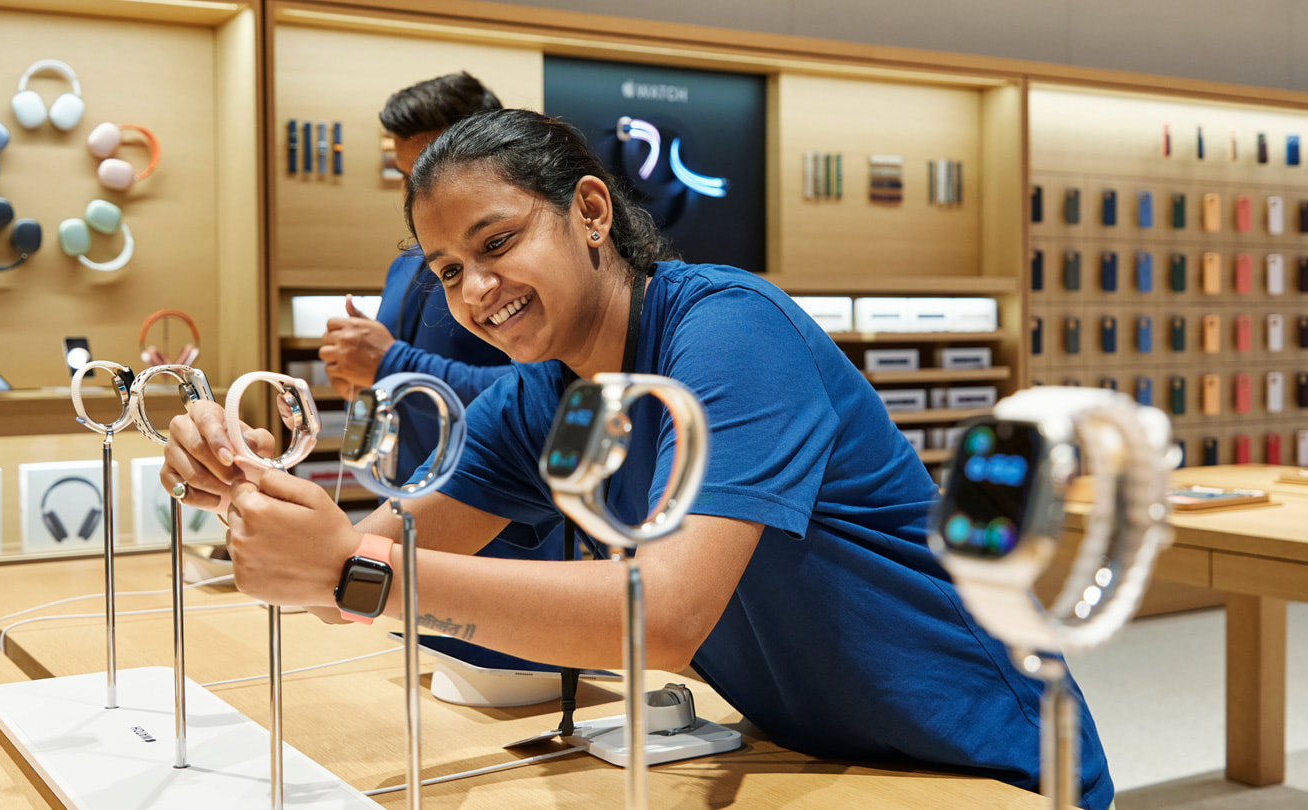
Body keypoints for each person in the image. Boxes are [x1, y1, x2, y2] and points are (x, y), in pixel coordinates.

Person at [164, 108, 1114, 808]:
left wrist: (358, 569)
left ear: (587, 210)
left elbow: (661, 613)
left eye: (497, 242)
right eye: (449, 270)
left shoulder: (732, 333)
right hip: (815, 760)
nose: (475, 290)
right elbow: (355, 570)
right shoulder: (542, 391)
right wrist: (248, 492)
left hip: (986, 764)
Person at [317, 72, 555, 562]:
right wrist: (365, 381)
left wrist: (389, 365)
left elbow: (544, 397)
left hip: (508, 532)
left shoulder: (521, 265)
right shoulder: (405, 265)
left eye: (426, 166)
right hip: (411, 515)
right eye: (406, 175)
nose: (414, 193)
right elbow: (393, 386)